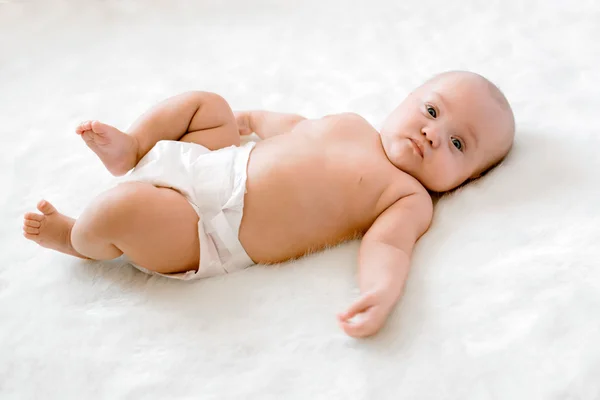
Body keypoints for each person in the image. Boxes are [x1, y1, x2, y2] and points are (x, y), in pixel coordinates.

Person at [22, 71, 515, 338]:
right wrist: (254, 116)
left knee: (120, 210)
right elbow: (297, 127)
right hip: (216, 163)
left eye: (457, 144)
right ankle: (132, 147)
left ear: (465, 181)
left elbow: (389, 246)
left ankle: (75, 238)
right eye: (431, 110)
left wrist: (381, 292)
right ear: (406, 98)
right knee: (205, 103)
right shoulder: (353, 124)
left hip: (207, 229)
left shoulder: (407, 197)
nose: (433, 132)